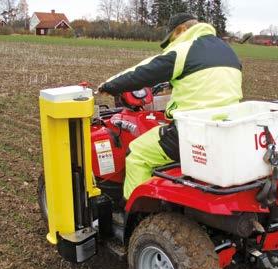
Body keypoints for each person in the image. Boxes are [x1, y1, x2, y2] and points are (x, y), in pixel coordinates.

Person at [98, 13, 243, 200]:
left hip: (192, 132)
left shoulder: (186, 49)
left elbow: (143, 71)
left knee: (137, 153)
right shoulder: (227, 51)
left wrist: (108, 86)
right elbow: (208, 82)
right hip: (227, 129)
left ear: (181, 30)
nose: (170, 45)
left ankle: (136, 217)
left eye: (171, 39)